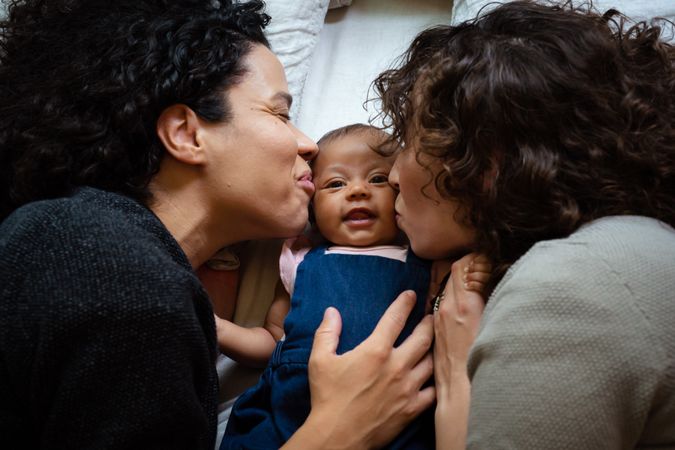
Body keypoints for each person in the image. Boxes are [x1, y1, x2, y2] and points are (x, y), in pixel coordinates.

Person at [0, 1, 438, 449]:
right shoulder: (113, 271)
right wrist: (340, 431)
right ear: (187, 135)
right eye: (280, 114)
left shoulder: (88, 247)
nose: (308, 145)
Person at [373, 0, 675, 448]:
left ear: (488, 159)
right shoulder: (634, 245)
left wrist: (457, 376)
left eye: (412, 139)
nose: (394, 175)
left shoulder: (574, 282)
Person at [217, 123, 490, 448]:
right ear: (313, 206)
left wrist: (479, 269)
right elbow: (273, 339)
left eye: (377, 179)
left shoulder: (425, 255)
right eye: (335, 184)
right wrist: (217, 329)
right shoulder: (299, 259)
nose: (358, 190)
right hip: (292, 400)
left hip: (400, 406)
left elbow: (457, 289)